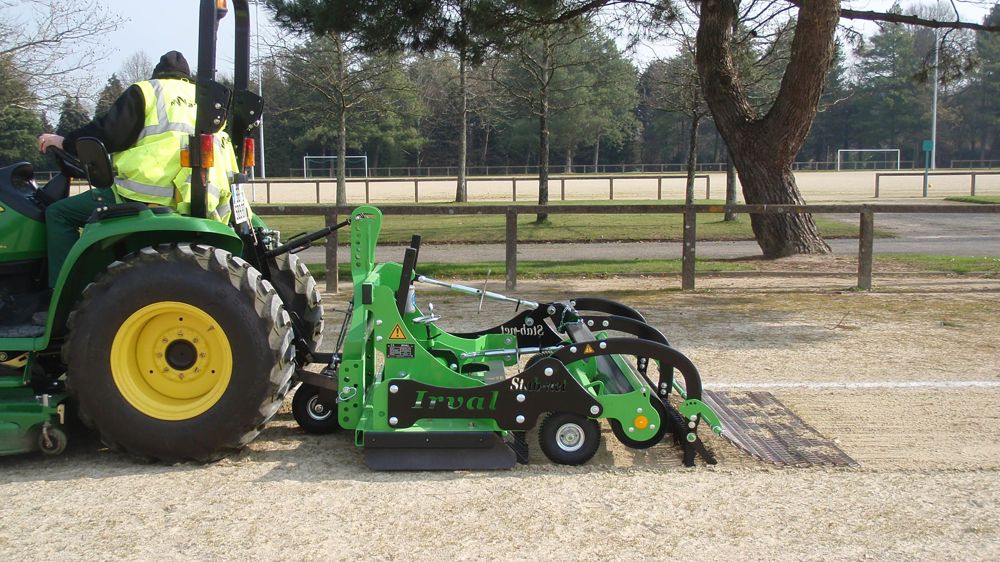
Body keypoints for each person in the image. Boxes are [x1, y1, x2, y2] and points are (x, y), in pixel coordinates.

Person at [37, 50, 234, 289]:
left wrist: (64, 141)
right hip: (195, 195)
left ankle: (61, 292)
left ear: (157, 74)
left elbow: (106, 133)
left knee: (58, 214)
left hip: (140, 194)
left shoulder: (147, 91)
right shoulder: (207, 100)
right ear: (186, 77)